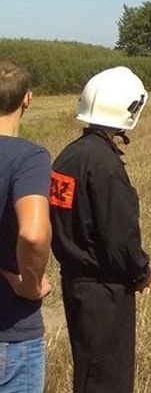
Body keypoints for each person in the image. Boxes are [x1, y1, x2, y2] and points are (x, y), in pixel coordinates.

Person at [51, 66, 151, 393]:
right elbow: (119, 236)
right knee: (107, 378)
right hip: (105, 290)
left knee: (88, 371)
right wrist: (141, 271)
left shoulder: (68, 157)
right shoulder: (105, 165)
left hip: (75, 282)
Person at [0, 61, 52, 392]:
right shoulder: (28, 158)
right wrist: (30, 284)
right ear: (27, 99)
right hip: (9, 330)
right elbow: (33, 233)